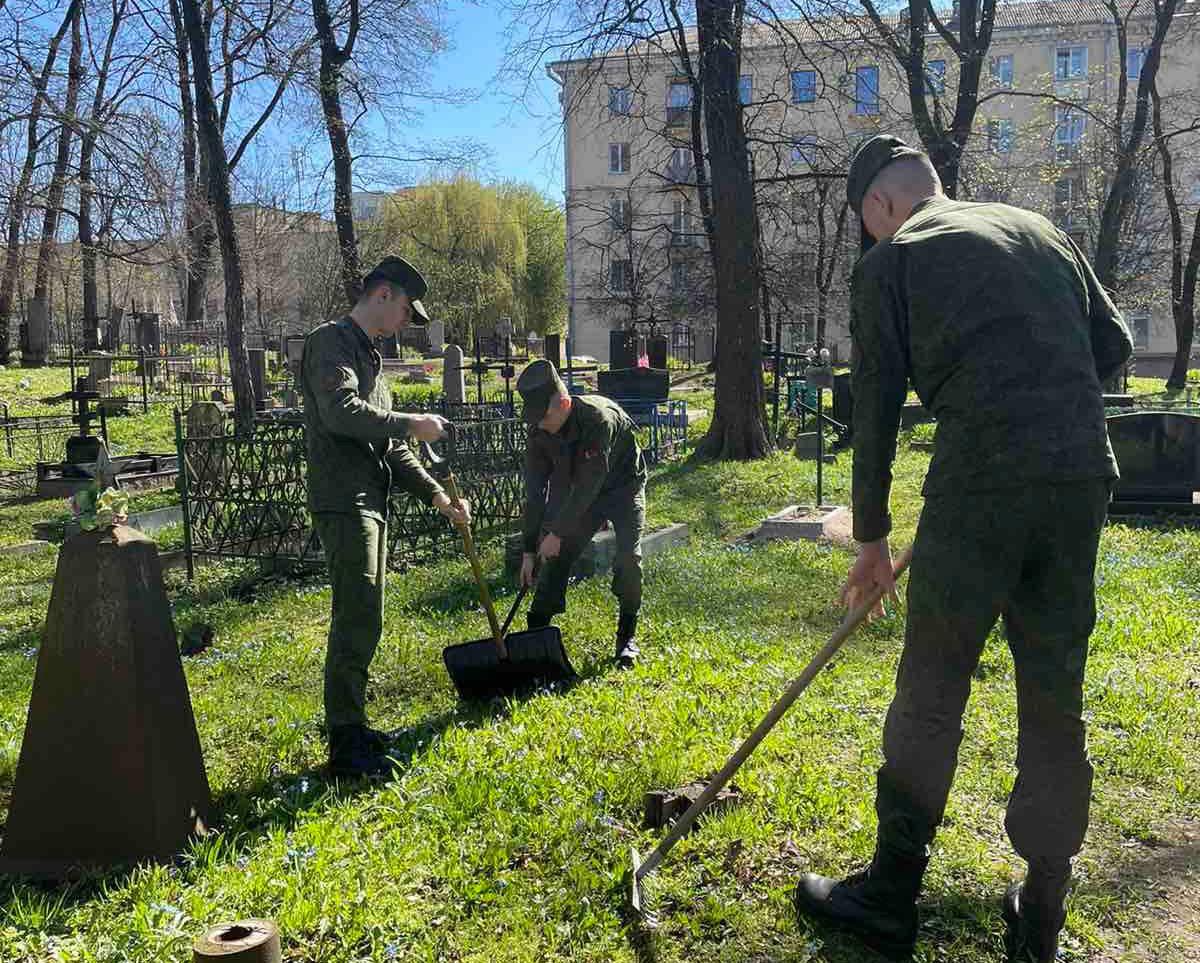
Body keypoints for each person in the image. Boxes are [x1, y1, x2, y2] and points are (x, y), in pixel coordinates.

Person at [792, 135, 1133, 962]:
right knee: (1055, 689)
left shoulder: (893, 260)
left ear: (879, 207)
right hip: (1081, 474)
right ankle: (1042, 913)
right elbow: (1115, 348)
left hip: (979, 482)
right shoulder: (1040, 228)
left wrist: (870, 542)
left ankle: (891, 894)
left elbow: (873, 406)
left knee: (933, 685)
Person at [300, 255, 470, 778]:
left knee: (365, 611)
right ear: (383, 295)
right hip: (344, 499)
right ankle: (345, 743)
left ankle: (352, 725)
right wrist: (411, 421)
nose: (405, 324)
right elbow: (340, 413)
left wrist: (438, 496)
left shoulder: (371, 361)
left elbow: (392, 448)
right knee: (357, 614)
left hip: (370, 501)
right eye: (404, 311)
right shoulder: (330, 342)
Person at [516, 359, 647, 668]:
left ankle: (627, 635)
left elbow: (591, 482)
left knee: (628, 558)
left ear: (563, 402)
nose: (540, 424)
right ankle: (536, 633)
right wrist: (528, 550)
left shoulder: (597, 420)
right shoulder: (539, 432)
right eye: (535, 419)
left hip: (622, 487)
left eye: (544, 416)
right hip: (579, 491)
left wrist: (557, 532)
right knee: (556, 557)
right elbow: (534, 494)